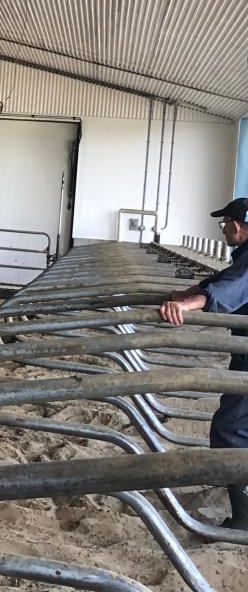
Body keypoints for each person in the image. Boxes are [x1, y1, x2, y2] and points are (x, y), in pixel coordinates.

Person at [159, 197, 248, 530]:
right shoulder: (243, 256)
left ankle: (244, 519)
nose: (224, 229)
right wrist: (183, 294)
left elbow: (231, 289)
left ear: (237, 225)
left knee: (232, 430)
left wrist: (188, 305)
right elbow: (220, 280)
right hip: (244, 355)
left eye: (224, 223)